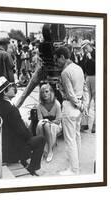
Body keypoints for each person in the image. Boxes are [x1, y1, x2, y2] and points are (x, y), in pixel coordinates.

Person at [0, 76, 45, 176]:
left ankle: (24, 162)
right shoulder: (11, 109)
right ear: (4, 92)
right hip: (11, 153)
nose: (14, 88)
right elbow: (24, 134)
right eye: (11, 87)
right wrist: (30, 132)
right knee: (40, 140)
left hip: (2, 148)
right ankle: (32, 168)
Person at [55, 46, 88, 175]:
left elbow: (70, 94)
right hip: (79, 107)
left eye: (57, 59)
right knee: (77, 136)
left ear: (63, 57)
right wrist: (84, 104)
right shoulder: (78, 68)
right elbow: (84, 88)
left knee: (70, 139)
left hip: (70, 107)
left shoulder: (65, 72)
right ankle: (76, 162)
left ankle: (74, 169)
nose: (57, 62)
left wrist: (79, 105)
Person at [36, 84, 62, 162]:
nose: (44, 94)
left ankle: (49, 150)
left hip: (55, 125)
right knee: (44, 125)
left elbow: (58, 120)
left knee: (47, 125)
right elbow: (40, 119)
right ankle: (47, 150)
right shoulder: (39, 106)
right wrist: (46, 122)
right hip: (44, 125)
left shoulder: (56, 104)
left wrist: (49, 122)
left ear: (51, 92)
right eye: (42, 92)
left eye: (47, 91)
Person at [81, 40, 96, 133]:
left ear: (90, 45)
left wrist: (91, 59)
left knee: (96, 102)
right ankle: (84, 123)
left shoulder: (96, 52)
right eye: (84, 48)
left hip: (96, 76)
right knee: (86, 101)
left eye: (86, 48)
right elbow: (82, 66)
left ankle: (95, 124)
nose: (85, 50)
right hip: (87, 77)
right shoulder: (85, 55)